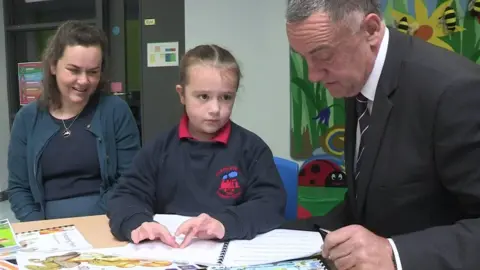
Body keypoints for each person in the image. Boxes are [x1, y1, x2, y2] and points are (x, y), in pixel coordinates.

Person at [284, 0, 480, 269]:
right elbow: (366, 205)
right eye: (303, 57)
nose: (313, 75)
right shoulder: (358, 79)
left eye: (323, 55)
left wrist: (395, 254)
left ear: (371, 30)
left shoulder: (455, 91)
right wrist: (261, 236)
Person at [107, 44, 286, 248]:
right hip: (170, 253)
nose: (215, 109)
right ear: (182, 94)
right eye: (203, 97)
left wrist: (224, 223)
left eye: (226, 97)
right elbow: (125, 196)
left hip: (230, 254)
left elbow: (270, 204)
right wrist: (139, 223)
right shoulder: (158, 149)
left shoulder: (252, 148)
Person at [7, 20, 141, 221]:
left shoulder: (115, 111)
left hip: (106, 219)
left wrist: (95, 221)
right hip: (45, 227)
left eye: (92, 72)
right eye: (74, 70)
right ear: (53, 66)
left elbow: (129, 178)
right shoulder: (27, 118)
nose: (84, 80)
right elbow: (19, 188)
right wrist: (37, 227)